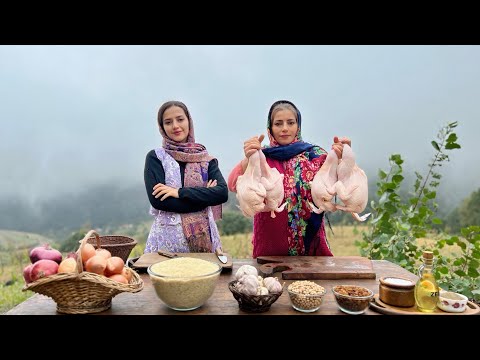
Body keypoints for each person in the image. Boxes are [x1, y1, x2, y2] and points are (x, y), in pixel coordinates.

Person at [228, 100, 351, 257]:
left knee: (312, 281)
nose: (285, 128)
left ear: (298, 126)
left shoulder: (316, 156)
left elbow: (341, 186)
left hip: (311, 243)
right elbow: (232, 184)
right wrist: (248, 158)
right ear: (270, 128)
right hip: (270, 244)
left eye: (290, 123)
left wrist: (344, 160)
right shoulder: (260, 157)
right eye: (278, 124)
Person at [144, 100, 228, 253]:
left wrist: (179, 193)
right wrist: (204, 199)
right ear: (162, 127)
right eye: (168, 122)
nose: (175, 126)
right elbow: (160, 202)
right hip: (166, 246)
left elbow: (221, 193)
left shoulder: (204, 159)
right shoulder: (156, 158)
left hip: (205, 243)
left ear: (189, 121)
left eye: (180, 119)